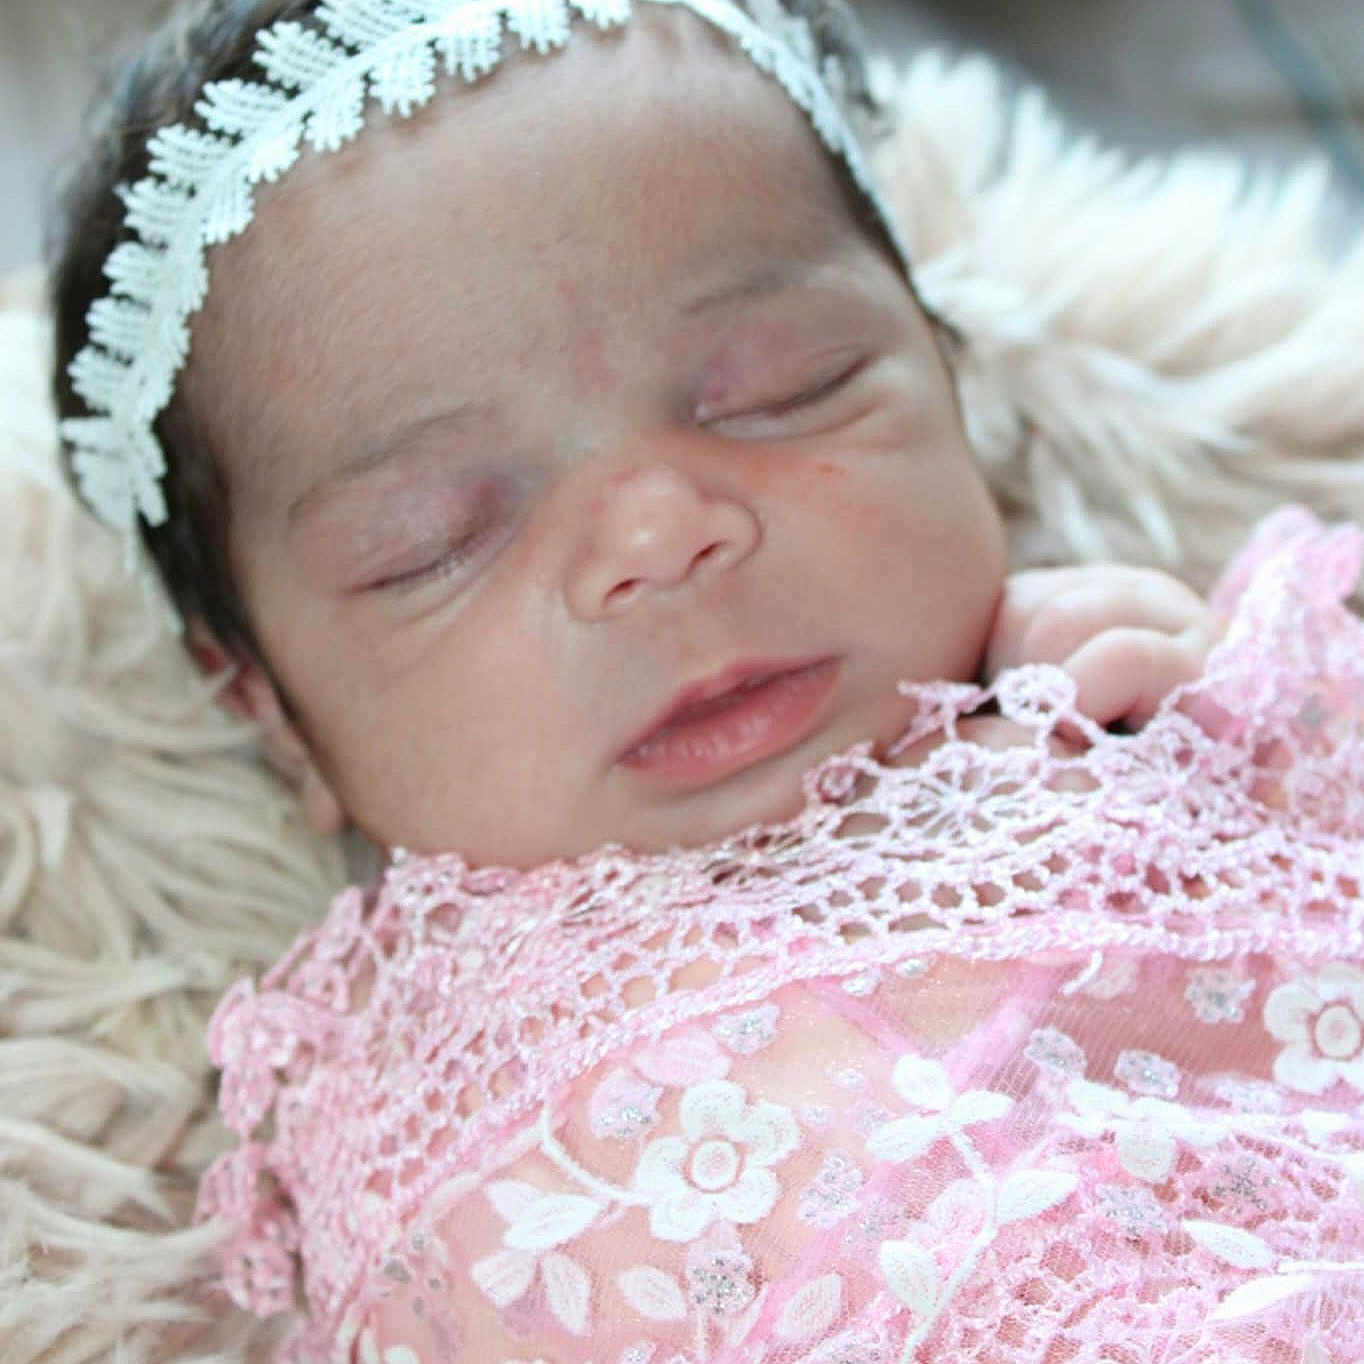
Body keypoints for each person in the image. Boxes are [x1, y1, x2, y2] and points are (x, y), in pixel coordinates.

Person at [48, 1, 1364, 1360]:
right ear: (267, 710)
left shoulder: (1106, 707)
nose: (660, 533)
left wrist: (1234, 740)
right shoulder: (413, 1102)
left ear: (950, 375)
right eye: (437, 537)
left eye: (785, 390)